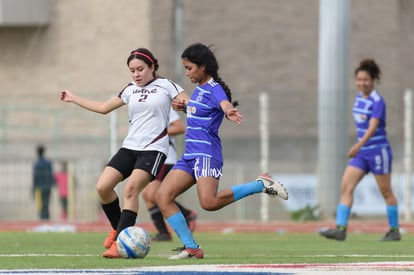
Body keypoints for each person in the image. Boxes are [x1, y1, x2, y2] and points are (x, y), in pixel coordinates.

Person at [156, 43, 289, 260]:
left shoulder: (214, 86)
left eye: (190, 68)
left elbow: (223, 102)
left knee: (209, 203)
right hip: (190, 155)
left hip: (206, 154)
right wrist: (185, 108)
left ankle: (260, 184)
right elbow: (200, 109)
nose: (187, 73)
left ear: (203, 67)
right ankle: (191, 247)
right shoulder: (198, 90)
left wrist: (229, 111)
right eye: (185, 68)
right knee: (162, 196)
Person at [60, 48, 188, 258]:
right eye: (132, 70)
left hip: (153, 150)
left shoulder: (166, 85)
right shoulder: (129, 89)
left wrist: (187, 106)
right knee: (103, 187)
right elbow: (103, 108)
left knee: (130, 190)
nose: (136, 74)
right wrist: (73, 98)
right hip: (130, 147)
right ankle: (118, 227)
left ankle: (120, 244)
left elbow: (188, 101)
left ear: (152, 67)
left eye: (140, 69)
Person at [319, 59, 400, 242]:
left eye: (366, 80)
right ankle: (340, 229)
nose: (362, 83)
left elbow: (372, 127)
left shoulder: (377, 101)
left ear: (373, 80)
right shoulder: (358, 98)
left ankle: (394, 230)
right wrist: (360, 148)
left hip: (378, 151)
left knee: (386, 191)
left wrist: (357, 145)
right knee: (346, 187)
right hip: (363, 154)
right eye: (359, 79)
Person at [141, 108, 198, 241]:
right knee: (148, 195)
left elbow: (179, 127)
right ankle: (164, 233)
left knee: (152, 194)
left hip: (165, 157)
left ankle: (186, 214)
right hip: (151, 156)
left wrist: (157, 133)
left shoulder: (163, 107)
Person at [33, 144, 55, 220]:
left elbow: (35, 178)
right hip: (47, 187)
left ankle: (43, 220)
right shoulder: (48, 163)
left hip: (39, 187)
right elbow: (51, 175)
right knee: (46, 204)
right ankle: (46, 219)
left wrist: (33, 189)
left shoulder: (36, 164)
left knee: (40, 205)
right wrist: (52, 184)